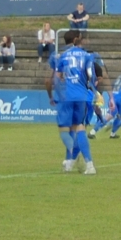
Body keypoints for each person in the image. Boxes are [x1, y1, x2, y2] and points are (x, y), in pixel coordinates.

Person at [50, 31, 101, 174]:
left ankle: (70, 162)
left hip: (67, 96)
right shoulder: (87, 56)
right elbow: (91, 77)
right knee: (79, 127)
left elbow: (57, 77)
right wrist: (95, 92)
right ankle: (86, 164)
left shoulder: (63, 55)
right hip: (81, 96)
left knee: (71, 129)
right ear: (78, 40)